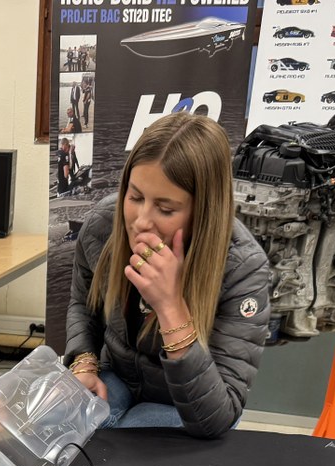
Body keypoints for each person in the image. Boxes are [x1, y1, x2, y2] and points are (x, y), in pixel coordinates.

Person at [64, 113, 271, 437]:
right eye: (135, 197)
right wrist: (84, 362)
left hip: (184, 401)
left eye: (165, 209)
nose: (141, 221)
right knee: (61, 432)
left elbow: (216, 416)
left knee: (129, 452)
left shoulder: (242, 267)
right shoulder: (103, 224)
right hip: (118, 376)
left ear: (203, 210)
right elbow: (83, 304)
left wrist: (171, 306)